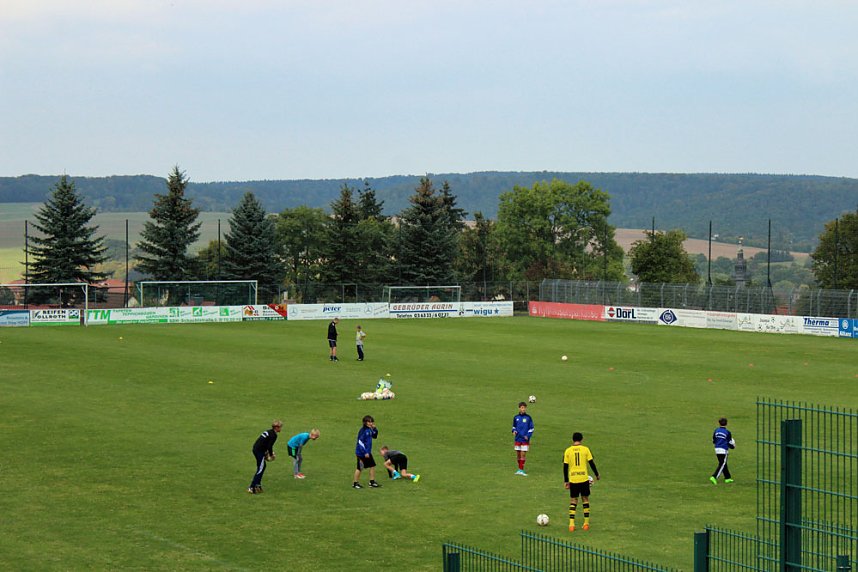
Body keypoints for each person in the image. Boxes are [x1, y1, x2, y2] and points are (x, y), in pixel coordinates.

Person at [563, 432, 600, 532]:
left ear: (572, 440)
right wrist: (597, 474)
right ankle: (586, 524)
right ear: (582, 439)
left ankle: (571, 525)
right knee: (585, 499)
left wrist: (566, 481)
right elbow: (591, 463)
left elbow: (565, 467)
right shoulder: (585, 449)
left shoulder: (568, 451)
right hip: (583, 478)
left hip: (573, 479)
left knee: (573, 501)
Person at [248, 419, 282, 494]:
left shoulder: (269, 431)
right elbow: (269, 446)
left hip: (257, 449)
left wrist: (266, 453)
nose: (281, 428)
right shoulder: (273, 435)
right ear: (276, 427)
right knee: (261, 468)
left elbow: (264, 443)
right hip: (259, 451)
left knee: (262, 467)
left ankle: (258, 485)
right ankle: (252, 487)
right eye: (280, 427)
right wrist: (271, 454)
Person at [353, 415, 381, 489]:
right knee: (360, 468)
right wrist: (365, 452)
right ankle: (355, 483)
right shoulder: (363, 431)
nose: (370, 423)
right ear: (365, 422)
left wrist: (375, 429)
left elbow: (374, 436)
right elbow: (360, 442)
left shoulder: (369, 429)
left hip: (367, 452)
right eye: (369, 422)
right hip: (361, 453)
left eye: (371, 422)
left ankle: (372, 482)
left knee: (372, 465)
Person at [710, 417, 736, 484]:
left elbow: (714, 440)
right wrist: (733, 446)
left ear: (719, 423)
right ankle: (714, 477)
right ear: (726, 424)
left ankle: (727, 478)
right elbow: (729, 442)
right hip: (723, 450)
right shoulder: (727, 432)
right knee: (722, 464)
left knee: (723, 463)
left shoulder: (716, 430)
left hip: (717, 449)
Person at [512, 401, 534, 475]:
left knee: (523, 454)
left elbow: (531, 428)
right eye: (522, 408)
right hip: (517, 438)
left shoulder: (528, 418)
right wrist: (514, 431)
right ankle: (519, 469)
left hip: (525, 439)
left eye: (524, 408)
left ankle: (521, 470)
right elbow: (514, 426)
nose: (523, 409)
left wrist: (528, 435)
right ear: (519, 408)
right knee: (518, 454)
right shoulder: (516, 417)